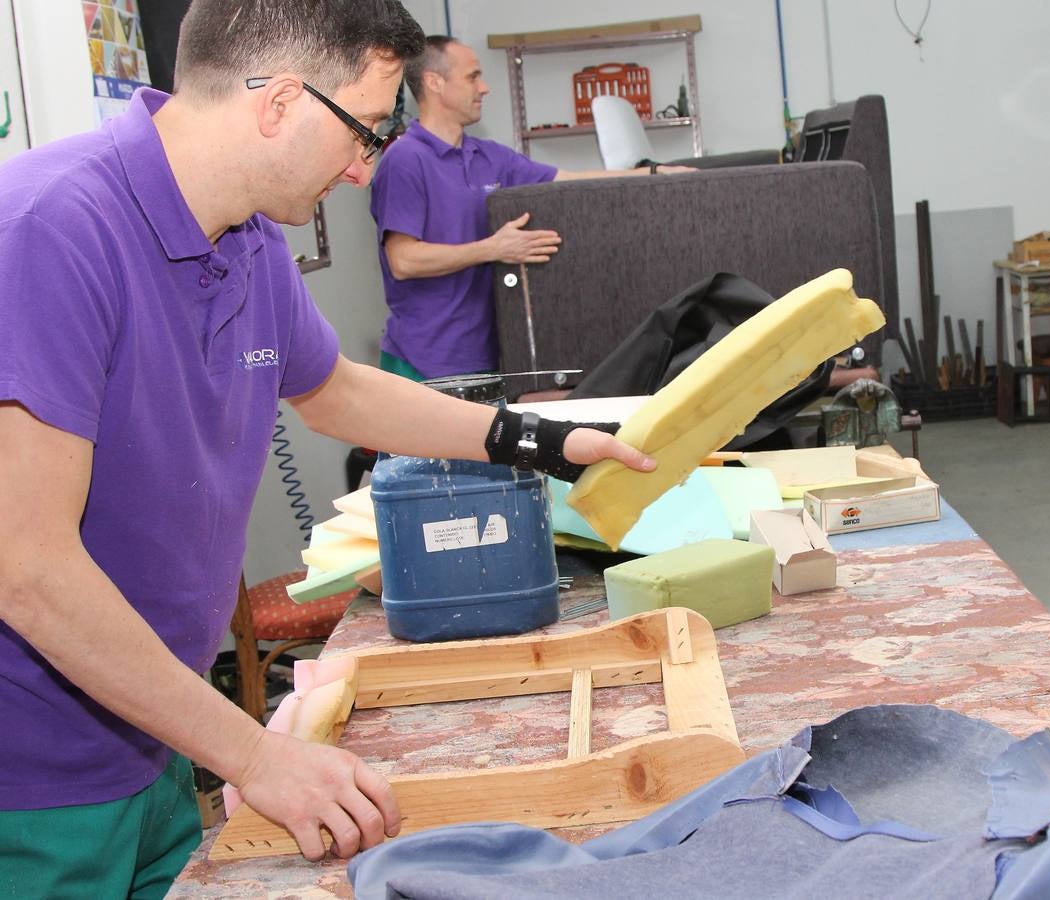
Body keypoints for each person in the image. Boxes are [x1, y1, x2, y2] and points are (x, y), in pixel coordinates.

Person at [0, 2, 655, 895]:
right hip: (33, 771)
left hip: (151, 721)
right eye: (363, 129)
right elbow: (26, 566)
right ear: (276, 102)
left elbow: (335, 392)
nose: (362, 168)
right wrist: (254, 754)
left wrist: (542, 440)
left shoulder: (248, 237)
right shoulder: (49, 229)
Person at [371, 36, 693, 381]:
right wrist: (493, 249)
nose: (484, 87)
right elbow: (403, 261)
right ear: (435, 83)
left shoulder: (488, 156)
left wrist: (657, 173)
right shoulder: (405, 159)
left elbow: (567, 179)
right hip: (423, 362)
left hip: (486, 355)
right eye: (472, 77)